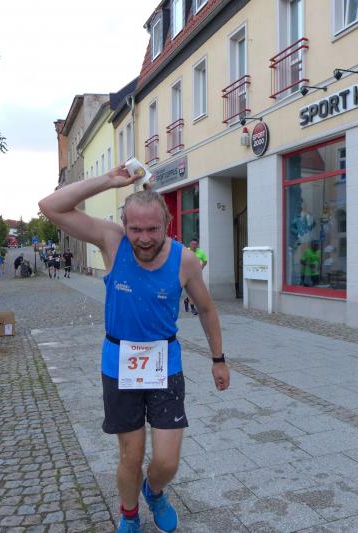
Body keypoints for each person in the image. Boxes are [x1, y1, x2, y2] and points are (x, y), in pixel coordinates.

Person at [39, 166, 229, 533]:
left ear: (167, 224)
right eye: (135, 229)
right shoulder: (112, 242)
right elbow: (50, 206)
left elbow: (207, 309)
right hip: (119, 362)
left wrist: (218, 359)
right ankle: (129, 514)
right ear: (124, 225)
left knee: (167, 461)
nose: (143, 239)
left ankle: (154, 491)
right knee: (131, 454)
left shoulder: (185, 260)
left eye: (152, 229)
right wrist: (109, 181)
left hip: (164, 363)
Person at [183, 239, 207, 316]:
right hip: (187, 274)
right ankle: (193, 308)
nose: (193, 245)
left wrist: (201, 268)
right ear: (190, 244)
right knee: (191, 291)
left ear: (197, 245)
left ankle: (186, 300)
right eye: (192, 244)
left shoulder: (200, 252)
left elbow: (205, 261)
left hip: (196, 275)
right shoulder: (185, 251)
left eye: (195, 244)